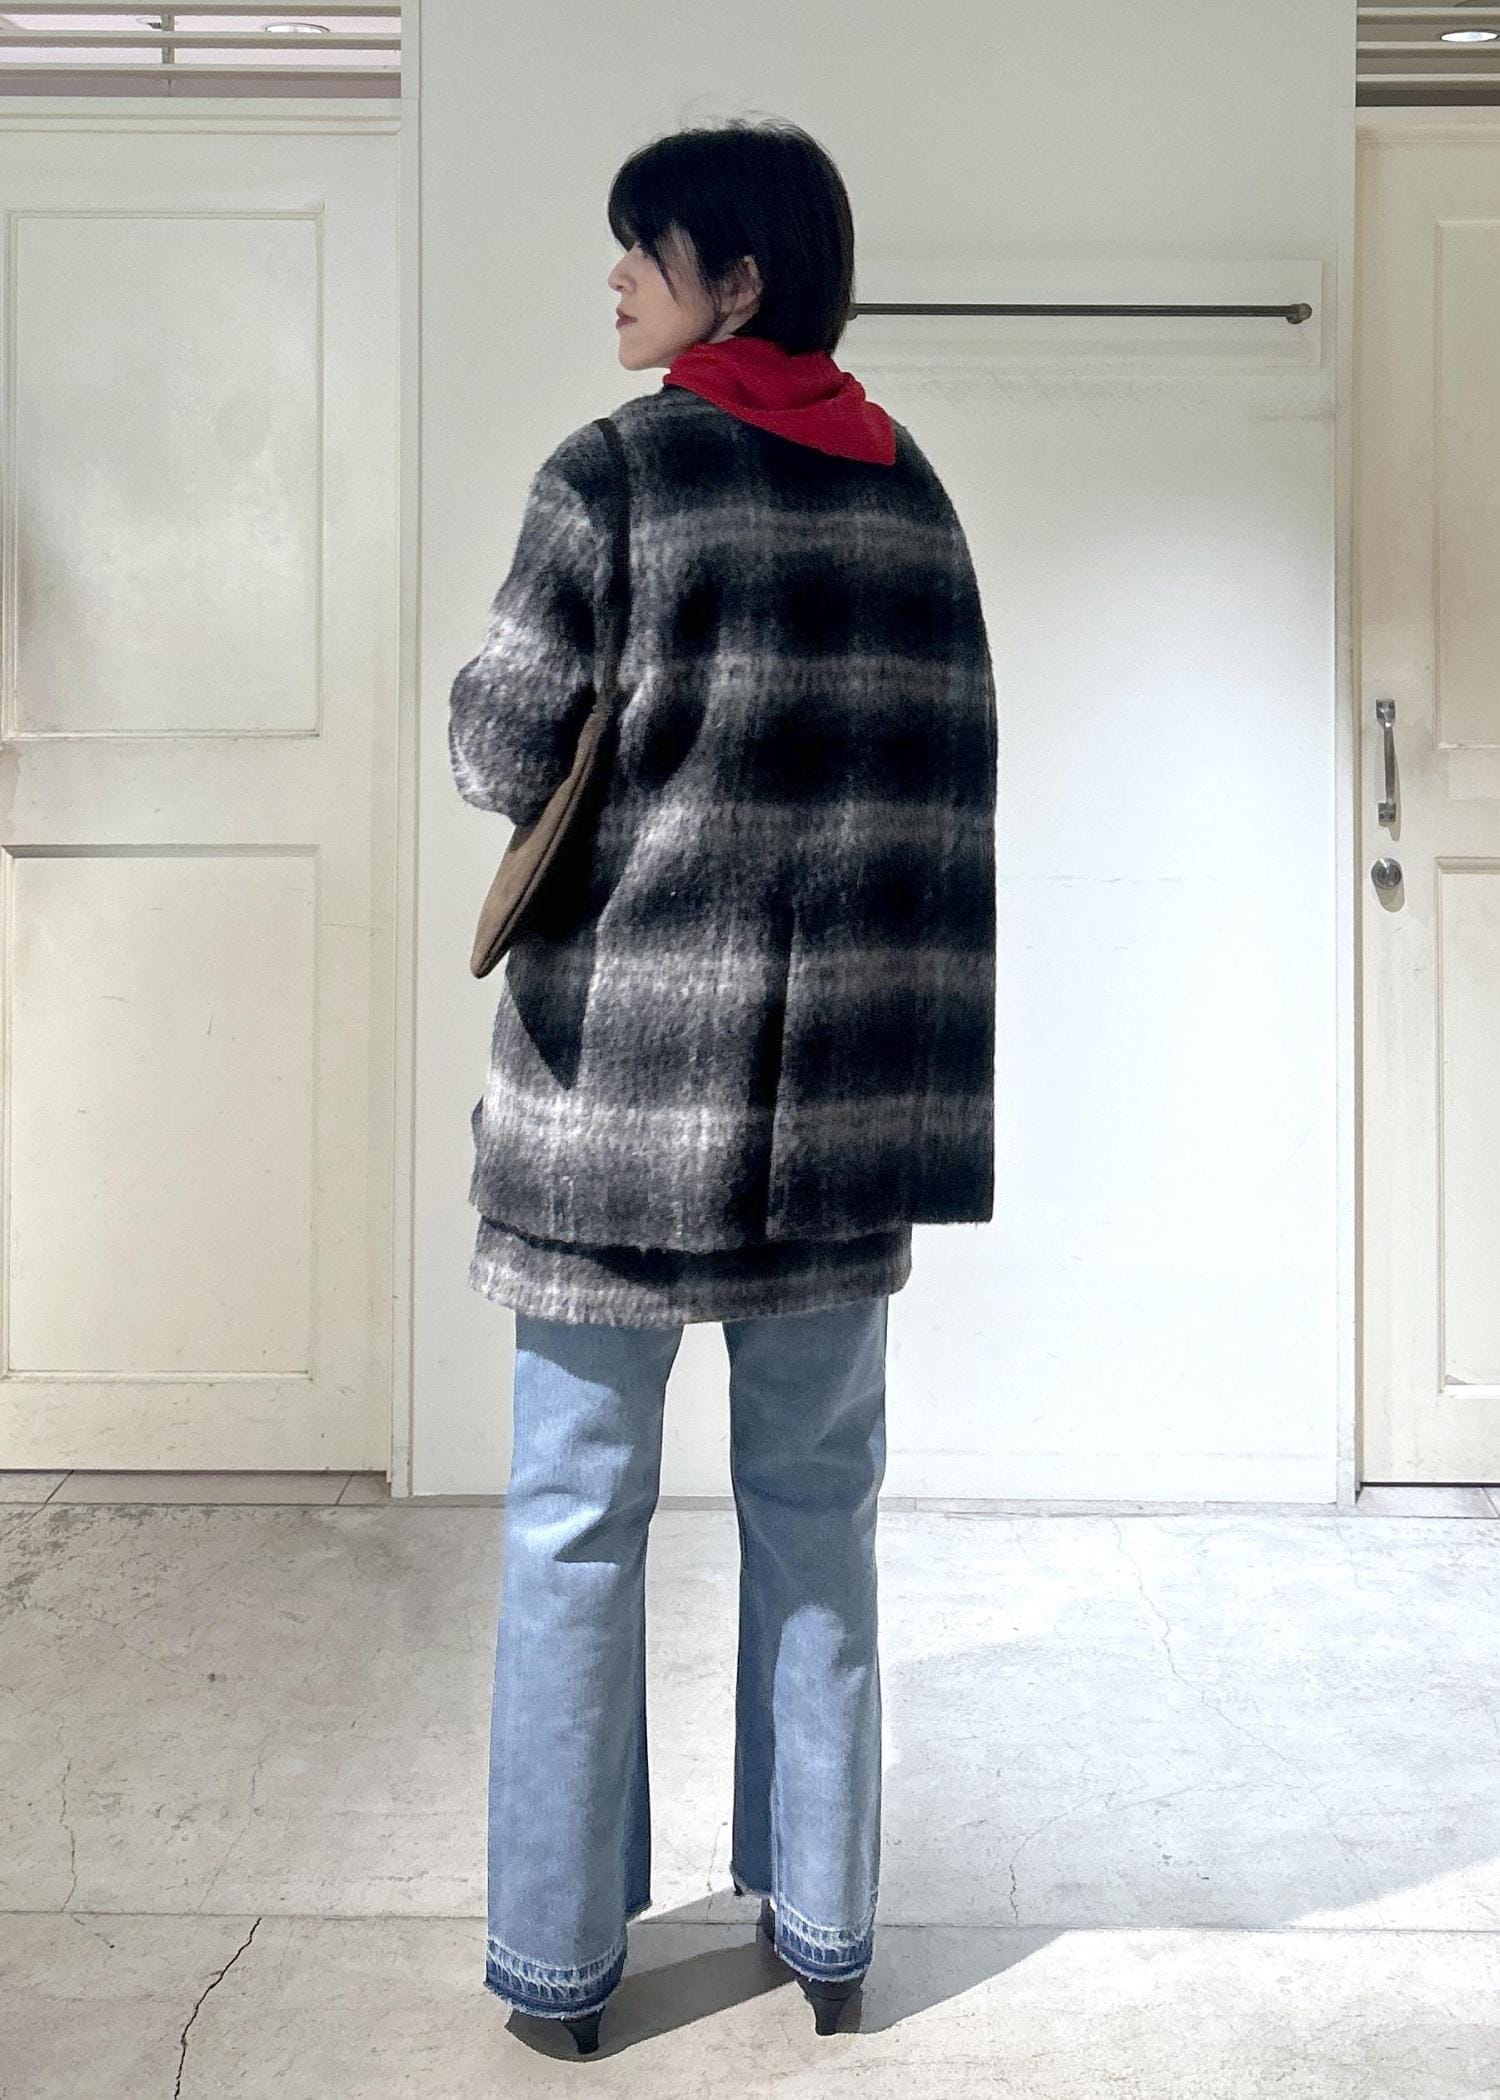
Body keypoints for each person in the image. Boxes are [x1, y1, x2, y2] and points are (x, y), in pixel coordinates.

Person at [447, 116, 998, 2055]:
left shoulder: (613, 474)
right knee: (820, 1515)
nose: (616, 277)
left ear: (736, 279)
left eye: (646, 248)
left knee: (573, 1525)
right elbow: (943, 808)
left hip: (613, 1116)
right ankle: (828, 1931)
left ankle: (562, 1970)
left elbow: (498, 749)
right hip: (838, 1124)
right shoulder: (910, 491)